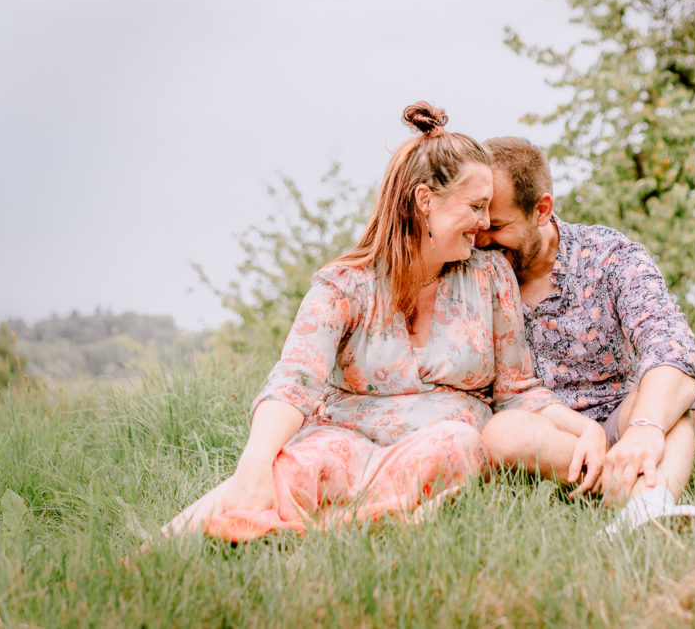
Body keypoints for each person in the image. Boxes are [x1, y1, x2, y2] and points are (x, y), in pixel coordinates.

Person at [163, 104, 604, 542]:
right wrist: (256, 458)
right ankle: (165, 550)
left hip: (440, 457)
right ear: (425, 202)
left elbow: (517, 392)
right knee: (292, 468)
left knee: (457, 443)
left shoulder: (490, 278)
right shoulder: (344, 285)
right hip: (343, 448)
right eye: (476, 206)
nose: (485, 223)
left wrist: (585, 428)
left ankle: (310, 531)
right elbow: (295, 380)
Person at [475, 137, 695, 537]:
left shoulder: (608, 254)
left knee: (674, 400)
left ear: (542, 210)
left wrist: (646, 428)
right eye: (478, 225)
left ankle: (648, 502)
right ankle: (637, 490)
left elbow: (670, 342)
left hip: (621, 422)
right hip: (544, 438)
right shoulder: (472, 271)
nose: (482, 241)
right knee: (503, 433)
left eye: (496, 227)